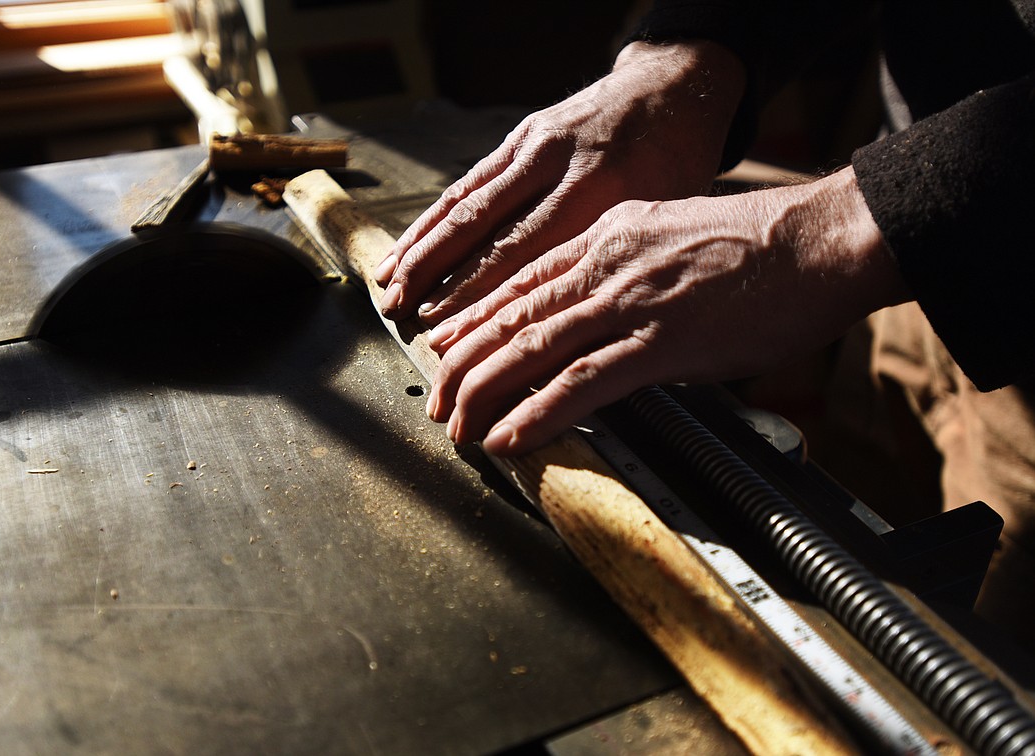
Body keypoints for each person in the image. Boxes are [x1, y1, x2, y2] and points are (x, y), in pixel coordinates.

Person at [373, 1, 1035, 649]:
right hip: (918, 266)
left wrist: (847, 224)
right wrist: (694, 44)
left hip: (983, 284)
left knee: (965, 646)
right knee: (861, 538)